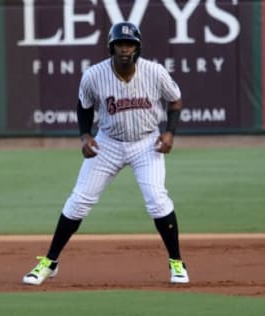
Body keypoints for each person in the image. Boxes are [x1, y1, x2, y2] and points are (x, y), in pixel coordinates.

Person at [22, 21, 189, 285]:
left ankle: (177, 262)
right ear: (111, 47)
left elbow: (175, 98)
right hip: (108, 143)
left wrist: (169, 132)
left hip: (146, 143)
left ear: (138, 47)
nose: (125, 49)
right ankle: (50, 262)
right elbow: (83, 106)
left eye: (130, 44)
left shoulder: (155, 72)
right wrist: (85, 135)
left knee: (157, 199)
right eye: (120, 44)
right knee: (79, 201)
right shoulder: (93, 75)